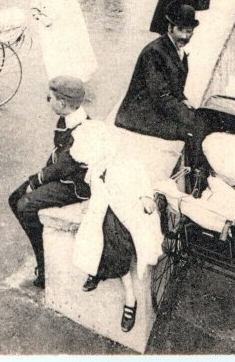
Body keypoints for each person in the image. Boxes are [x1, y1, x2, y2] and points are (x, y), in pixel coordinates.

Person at [70, 121, 163, 334]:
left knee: (115, 238)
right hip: (103, 210)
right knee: (93, 235)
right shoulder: (95, 168)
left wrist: (146, 197)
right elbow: (93, 188)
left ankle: (130, 298)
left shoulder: (126, 163)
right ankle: (97, 270)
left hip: (126, 212)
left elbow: (142, 183)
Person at [9, 76, 92, 289]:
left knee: (26, 206)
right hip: (63, 177)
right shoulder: (68, 118)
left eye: (51, 98)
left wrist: (36, 181)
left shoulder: (81, 130)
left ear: (62, 103)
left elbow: (63, 166)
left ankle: (45, 265)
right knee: (15, 198)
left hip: (74, 185)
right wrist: (37, 180)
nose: (48, 101)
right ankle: (42, 256)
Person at [115, 2, 205, 163]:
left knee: (199, 126)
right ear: (170, 28)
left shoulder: (176, 48)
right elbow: (161, 96)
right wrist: (189, 116)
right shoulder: (154, 52)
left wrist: (182, 99)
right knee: (193, 130)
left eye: (189, 31)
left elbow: (173, 86)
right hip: (141, 113)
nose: (185, 36)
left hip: (159, 107)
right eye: (180, 30)